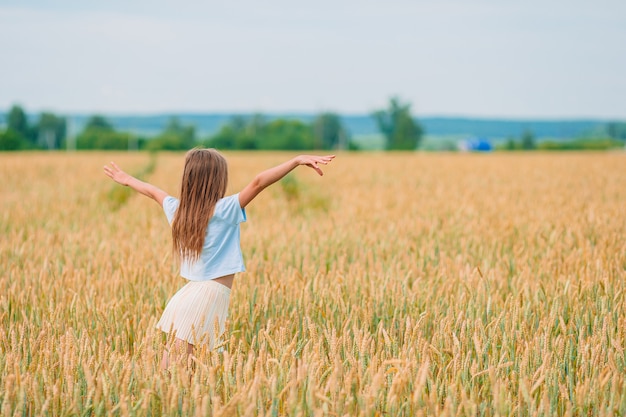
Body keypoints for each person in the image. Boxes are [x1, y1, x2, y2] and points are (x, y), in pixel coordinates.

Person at [103, 149, 335, 369]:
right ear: (217, 180)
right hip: (207, 296)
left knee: (182, 364)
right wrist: (296, 161)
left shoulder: (177, 209)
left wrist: (127, 179)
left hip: (192, 295)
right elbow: (259, 182)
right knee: (178, 368)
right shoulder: (224, 210)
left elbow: (153, 191)